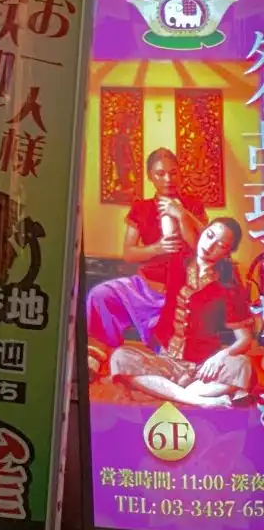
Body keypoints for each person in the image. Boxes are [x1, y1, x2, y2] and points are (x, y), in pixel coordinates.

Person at [109, 217, 259, 408]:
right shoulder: (176, 262)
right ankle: (198, 401)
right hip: (165, 361)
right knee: (120, 357)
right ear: (201, 232)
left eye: (220, 245)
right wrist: (179, 213)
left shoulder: (230, 287)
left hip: (202, 366)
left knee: (242, 365)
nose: (210, 245)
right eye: (209, 235)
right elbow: (169, 229)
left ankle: (167, 391)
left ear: (227, 252)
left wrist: (220, 356)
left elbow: (244, 339)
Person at [86, 148, 206, 352]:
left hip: (182, 293)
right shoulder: (141, 208)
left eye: (174, 172)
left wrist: (182, 215)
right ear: (151, 177)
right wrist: (157, 248)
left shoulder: (193, 206)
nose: (168, 179)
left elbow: (200, 247)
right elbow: (129, 254)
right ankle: (101, 351)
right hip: (144, 289)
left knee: (172, 353)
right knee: (99, 295)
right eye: (161, 174)